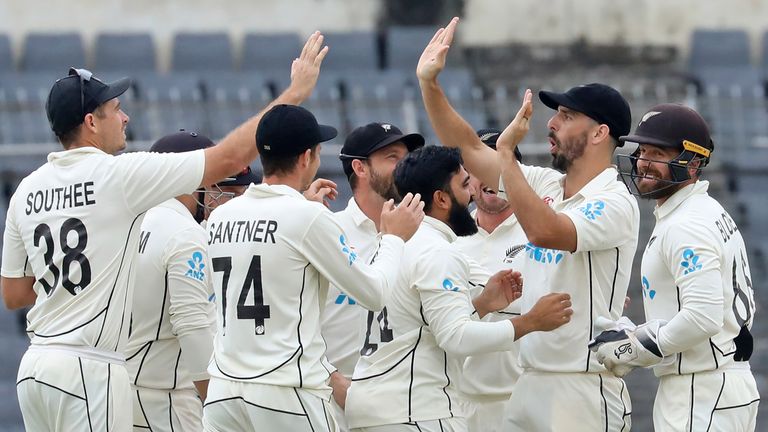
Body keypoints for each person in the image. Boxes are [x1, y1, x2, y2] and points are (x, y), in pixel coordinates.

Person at [1, 31, 330, 431]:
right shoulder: (119, 176)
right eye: (115, 109)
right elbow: (228, 158)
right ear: (90, 122)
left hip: (35, 369)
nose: (125, 118)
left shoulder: (27, 189)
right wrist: (294, 94)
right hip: (90, 367)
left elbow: (15, 295)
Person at [417, 18, 640, 431]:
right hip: (530, 380)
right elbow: (466, 147)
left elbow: (545, 232)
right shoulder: (546, 182)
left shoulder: (615, 202)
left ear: (599, 133)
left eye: (567, 116)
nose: (551, 124)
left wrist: (505, 151)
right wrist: (430, 84)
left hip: (582, 387)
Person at [201, 104, 425, 432]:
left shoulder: (222, 215)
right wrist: (393, 238)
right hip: (283, 389)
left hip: (223, 390)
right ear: (307, 157)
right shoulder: (307, 217)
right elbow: (374, 294)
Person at [344, 145, 574, 432]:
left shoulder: (389, 244)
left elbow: (423, 328)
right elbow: (455, 337)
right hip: (415, 411)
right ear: (441, 198)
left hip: (372, 410)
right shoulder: (437, 251)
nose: (472, 194)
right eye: (465, 184)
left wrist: (481, 306)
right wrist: (529, 322)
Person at [590, 104, 760, 431]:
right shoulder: (700, 210)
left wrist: (636, 347)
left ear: (693, 163)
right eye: (642, 151)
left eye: (658, 153)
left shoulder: (686, 225)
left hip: (703, 389)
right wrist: (640, 332)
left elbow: (703, 315)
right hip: (716, 385)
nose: (643, 162)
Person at [320, 122, 425, 431]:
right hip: (336, 400)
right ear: (360, 168)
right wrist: (330, 378)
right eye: (392, 157)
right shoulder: (327, 230)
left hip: (406, 402)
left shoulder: (425, 231)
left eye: (407, 156)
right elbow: (295, 316)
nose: (404, 164)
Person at [125, 131, 218, 432]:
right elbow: (191, 325)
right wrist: (214, 401)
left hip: (120, 392)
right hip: (165, 398)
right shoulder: (184, 233)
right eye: (210, 178)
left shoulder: (130, 222)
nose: (215, 190)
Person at [452, 128, 526, 432]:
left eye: (502, 166)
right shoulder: (448, 237)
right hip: (461, 404)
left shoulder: (544, 233)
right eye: (483, 168)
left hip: (527, 398)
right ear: (468, 179)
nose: (493, 178)